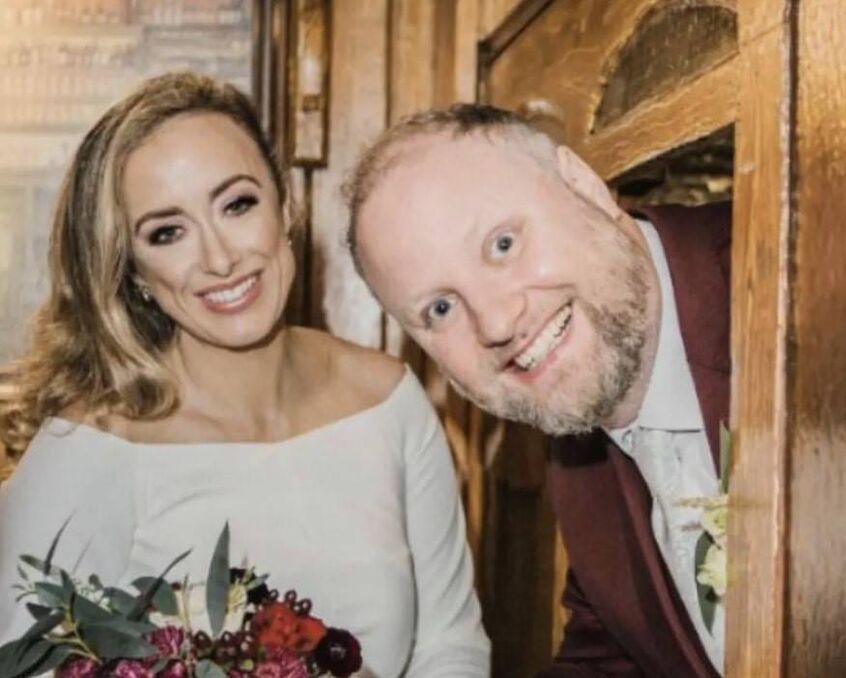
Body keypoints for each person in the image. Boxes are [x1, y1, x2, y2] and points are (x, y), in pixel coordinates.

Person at [0, 73, 489, 677]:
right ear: (133, 274)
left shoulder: (388, 402)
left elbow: (450, 646)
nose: (221, 258)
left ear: (284, 206)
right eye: (168, 233)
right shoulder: (86, 450)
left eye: (237, 204)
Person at [347, 104, 730, 677]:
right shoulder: (578, 448)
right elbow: (607, 660)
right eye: (441, 308)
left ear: (583, 185)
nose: (497, 323)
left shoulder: (802, 280)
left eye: (503, 245)